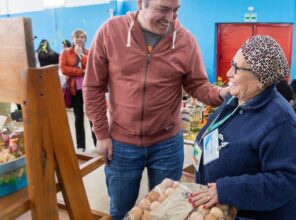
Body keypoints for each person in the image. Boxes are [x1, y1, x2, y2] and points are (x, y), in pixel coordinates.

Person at [82, 0, 229, 219]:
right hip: (121, 143)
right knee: (121, 210)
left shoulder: (185, 41)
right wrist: (101, 133)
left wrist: (221, 94)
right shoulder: (111, 32)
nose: (170, 18)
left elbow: (197, 84)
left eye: (176, 10)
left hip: (167, 145)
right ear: (141, 3)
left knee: (166, 210)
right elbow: (92, 86)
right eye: (163, 9)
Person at [189, 36, 296, 220]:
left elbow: (287, 181)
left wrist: (226, 190)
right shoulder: (236, 99)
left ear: (260, 78)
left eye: (236, 68)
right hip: (217, 207)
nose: (228, 72)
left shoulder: (280, 122)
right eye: (231, 64)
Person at [59, 29, 97, 152]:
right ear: (72, 39)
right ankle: (81, 146)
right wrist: (81, 71)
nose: (80, 39)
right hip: (75, 90)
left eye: (82, 37)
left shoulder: (89, 52)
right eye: (77, 36)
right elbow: (64, 69)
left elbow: (92, 67)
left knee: (92, 116)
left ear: (85, 39)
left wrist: (81, 55)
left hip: (89, 89)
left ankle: (97, 143)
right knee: (78, 117)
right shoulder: (65, 53)